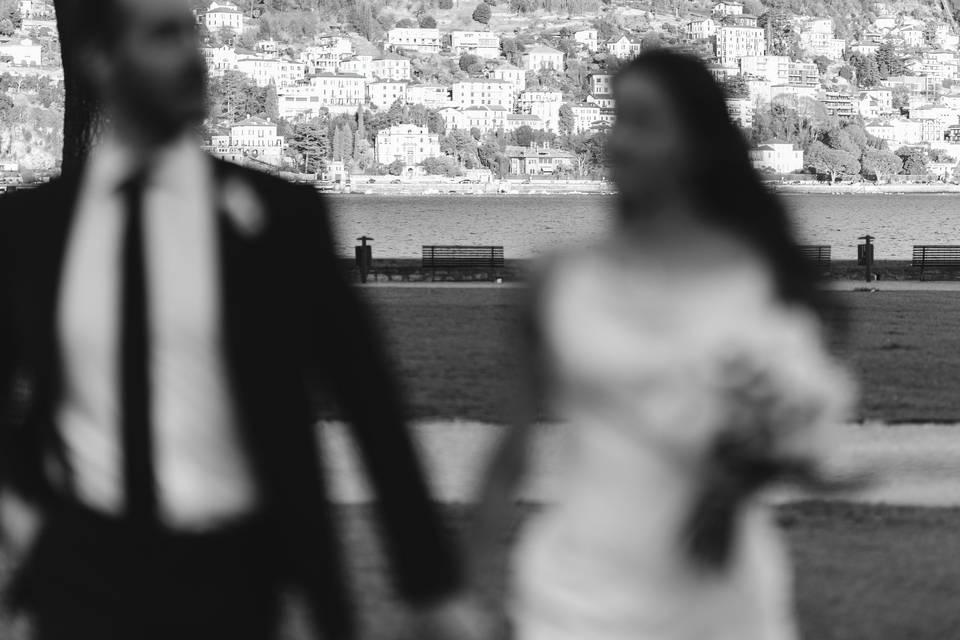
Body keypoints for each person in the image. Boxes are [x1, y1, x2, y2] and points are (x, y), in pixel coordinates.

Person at [0, 0, 482, 638]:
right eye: (163, 36)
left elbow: (369, 404)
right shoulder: (31, 231)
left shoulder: (281, 218)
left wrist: (431, 586)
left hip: (232, 581)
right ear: (99, 60)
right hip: (80, 583)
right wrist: (20, 526)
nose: (192, 56)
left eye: (191, 33)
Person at [471, 51, 857, 640]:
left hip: (717, 598)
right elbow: (511, 454)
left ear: (695, 143)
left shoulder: (758, 278)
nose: (619, 141)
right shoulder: (559, 279)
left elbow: (792, 434)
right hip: (575, 600)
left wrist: (757, 468)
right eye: (617, 118)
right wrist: (462, 589)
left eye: (644, 121)